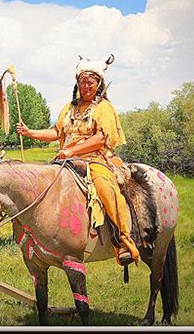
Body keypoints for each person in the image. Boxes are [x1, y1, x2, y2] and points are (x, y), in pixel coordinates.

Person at [15, 56, 140, 266]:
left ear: (98, 84)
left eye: (91, 82)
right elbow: (56, 132)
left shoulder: (103, 108)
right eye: (82, 81)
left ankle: (123, 239)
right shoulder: (70, 108)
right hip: (67, 159)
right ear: (77, 83)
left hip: (96, 160)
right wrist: (30, 132)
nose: (86, 85)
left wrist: (72, 149)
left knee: (103, 187)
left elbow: (101, 138)